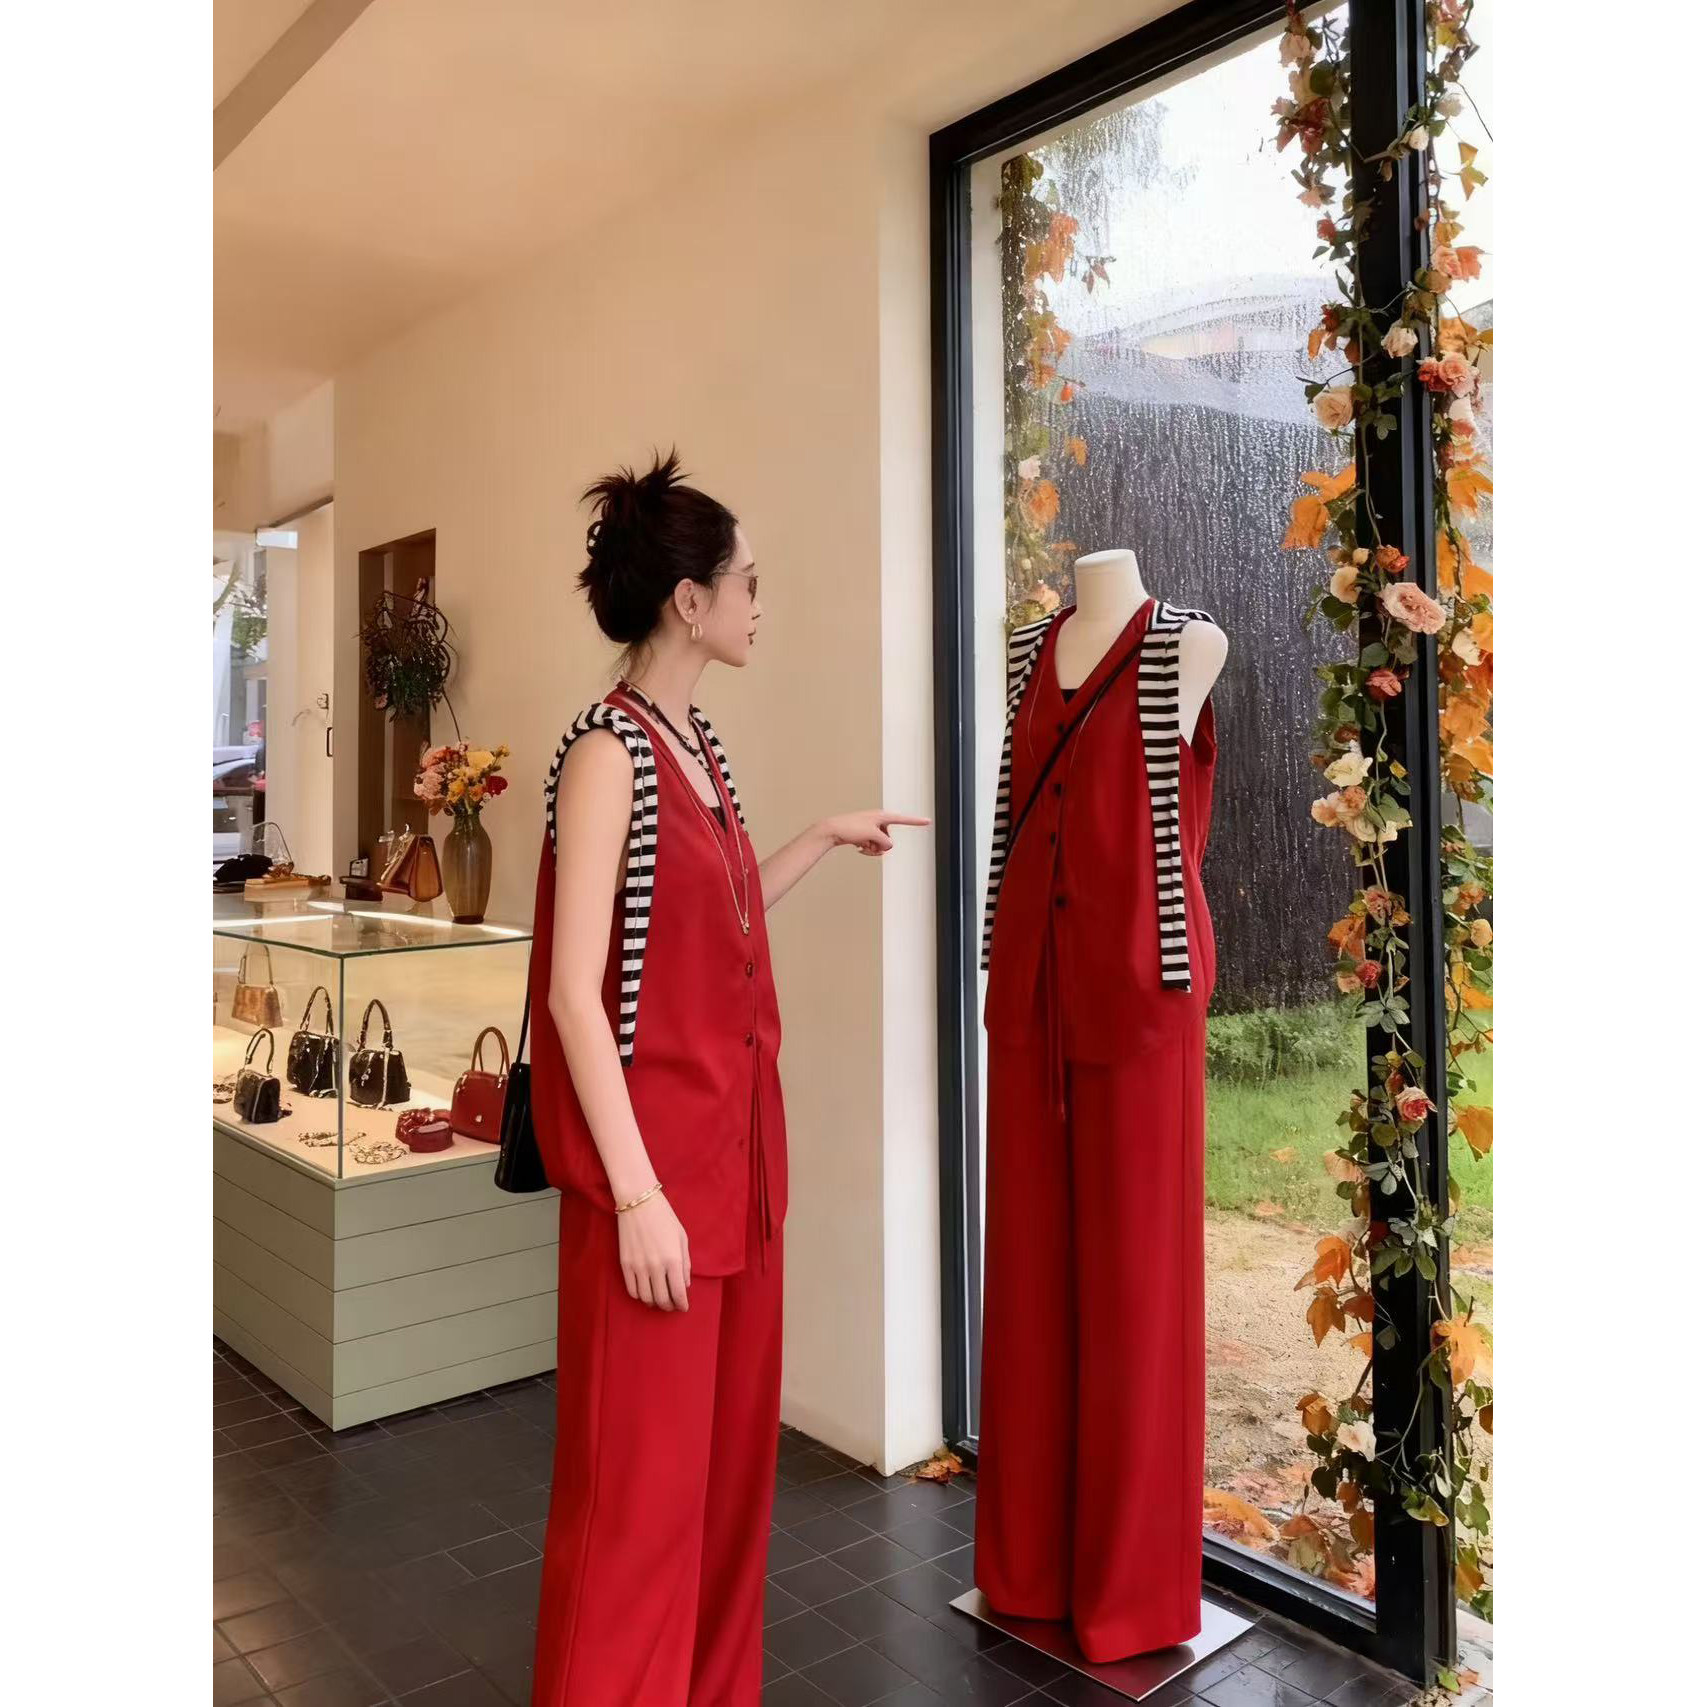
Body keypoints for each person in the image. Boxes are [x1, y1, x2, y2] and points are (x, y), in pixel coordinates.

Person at [526, 447, 927, 1705]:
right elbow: (573, 994)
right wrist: (637, 1198)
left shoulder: (695, 744)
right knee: (635, 1512)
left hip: (737, 1173)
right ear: (689, 601)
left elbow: (717, 915)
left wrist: (819, 836)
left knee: (722, 1498)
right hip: (653, 1186)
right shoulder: (608, 752)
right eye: (748, 579)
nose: (761, 600)